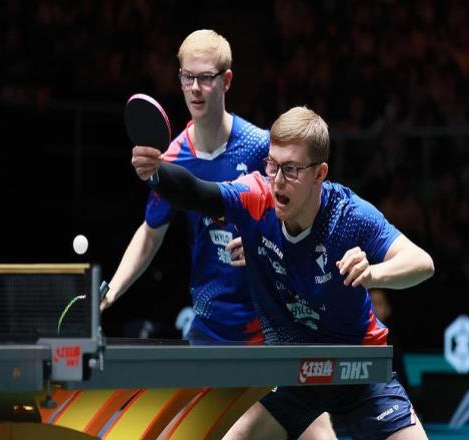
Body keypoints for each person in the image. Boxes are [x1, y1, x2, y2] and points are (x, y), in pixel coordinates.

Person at [131, 106, 435, 439]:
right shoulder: (255, 198)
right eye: (272, 165)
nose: (276, 180)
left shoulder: (348, 215)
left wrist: (373, 274)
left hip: (358, 370)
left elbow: (421, 263)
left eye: (290, 169)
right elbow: (197, 192)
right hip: (297, 373)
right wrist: (156, 172)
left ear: (319, 173)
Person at [103, 31, 336, 438]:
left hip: (272, 329)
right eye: (187, 77)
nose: (195, 88)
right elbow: (150, 233)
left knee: (319, 435)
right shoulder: (173, 159)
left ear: (226, 81)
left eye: (206, 77)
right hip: (211, 331)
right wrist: (112, 291)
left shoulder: (261, 148)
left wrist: (266, 241)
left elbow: (305, 220)